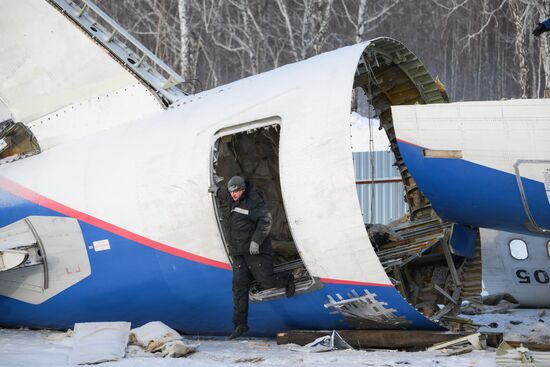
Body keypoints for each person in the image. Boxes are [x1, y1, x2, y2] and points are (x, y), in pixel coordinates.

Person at [214, 175, 295, 340]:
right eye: (231, 192)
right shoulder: (230, 197)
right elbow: (224, 193)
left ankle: (288, 279)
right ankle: (240, 325)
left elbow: (266, 221)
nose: (233, 195)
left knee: (266, 281)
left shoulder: (253, 200)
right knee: (239, 288)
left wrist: (256, 242)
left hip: (255, 251)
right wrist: (217, 191)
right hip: (239, 253)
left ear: (242, 189)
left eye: (236, 191)